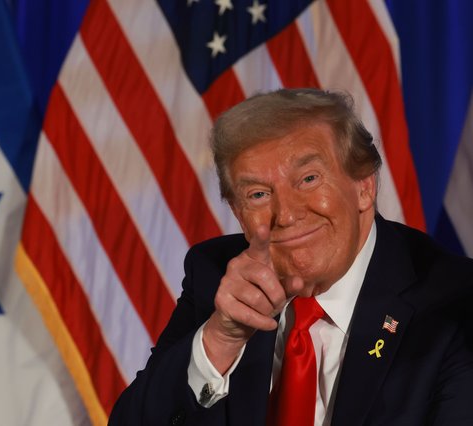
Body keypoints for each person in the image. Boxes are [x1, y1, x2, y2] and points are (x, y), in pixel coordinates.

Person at [108, 88, 473, 425]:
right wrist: (221, 339)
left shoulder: (455, 303)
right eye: (258, 195)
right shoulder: (215, 275)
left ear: (364, 186)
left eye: (309, 179)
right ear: (238, 214)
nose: (286, 214)